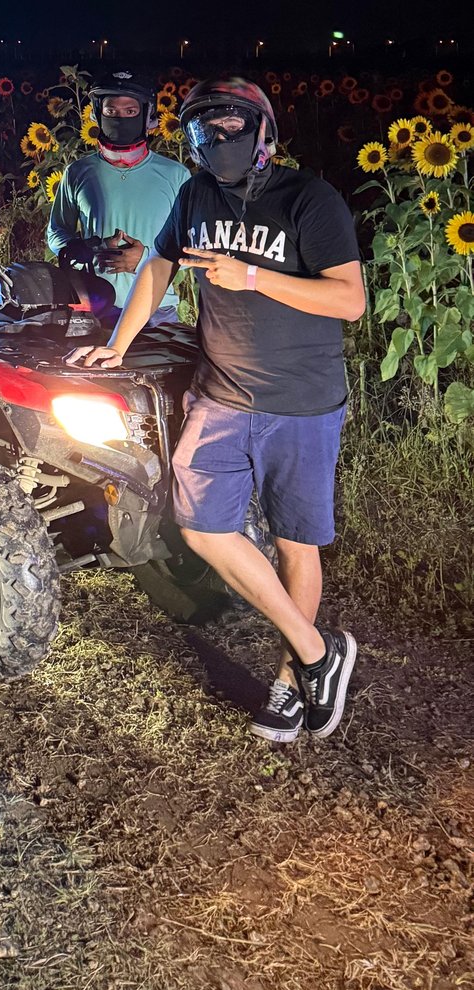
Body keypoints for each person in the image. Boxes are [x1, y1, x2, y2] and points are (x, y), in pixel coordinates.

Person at [67, 78, 365, 744]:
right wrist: (119, 344)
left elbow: (349, 299)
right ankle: (318, 651)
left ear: (264, 134)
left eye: (233, 127)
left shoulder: (308, 198)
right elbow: (158, 264)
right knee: (202, 527)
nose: (220, 140)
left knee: (294, 542)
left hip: (301, 401)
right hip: (222, 392)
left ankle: (290, 683)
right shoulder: (197, 194)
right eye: (207, 131)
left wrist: (253, 276)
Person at [47, 70, 189, 323]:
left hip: (157, 310)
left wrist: (145, 260)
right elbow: (56, 232)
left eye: (130, 111)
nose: (119, 118)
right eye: (111, 111)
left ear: (147, 115)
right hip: (97, 306)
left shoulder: (176, 175)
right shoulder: (77, 172)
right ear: (98, 114)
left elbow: (194, 247)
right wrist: (87, 249)